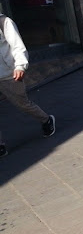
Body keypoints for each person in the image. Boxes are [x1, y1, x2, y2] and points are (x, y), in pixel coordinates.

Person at [0, 13, 55, 157]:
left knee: (22, 103)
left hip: (7, 74)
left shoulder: (4, 22)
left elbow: (17, 46)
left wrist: (20, 66)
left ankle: (46, 119)